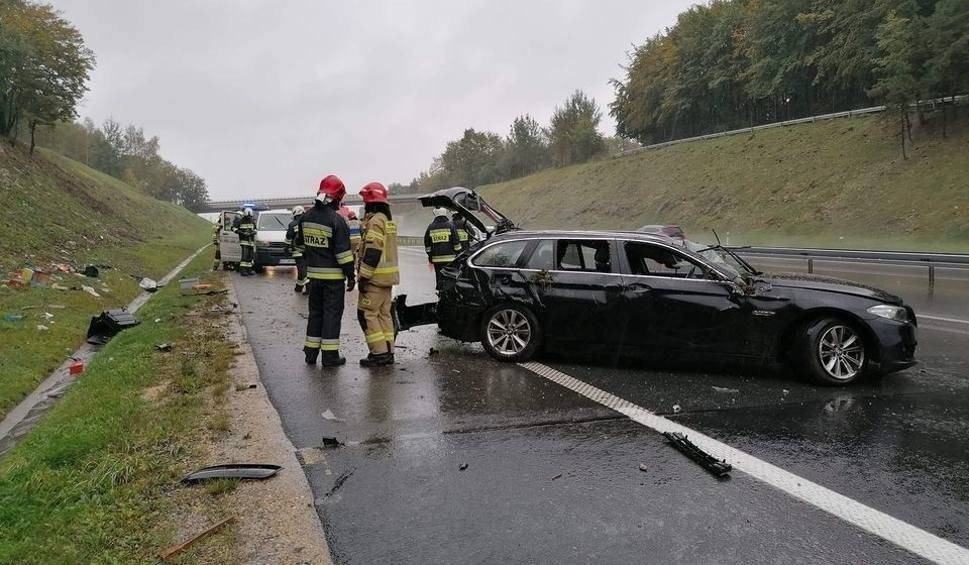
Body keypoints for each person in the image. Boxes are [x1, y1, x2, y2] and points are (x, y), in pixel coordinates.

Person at [297, 175, 356, 367]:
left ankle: (310, 353)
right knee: (331, 315)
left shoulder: (305, 217)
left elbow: (300, 244)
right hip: (333, 279)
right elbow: (344, 255)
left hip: (313, 277)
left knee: (315, 313)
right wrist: (351, 276)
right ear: (337, 198)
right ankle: (330, 356)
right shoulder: (337, 221)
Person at [356, 182, 399, 367]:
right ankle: (388, 352)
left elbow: (372, 252)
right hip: (387, 280)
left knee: (366, 314)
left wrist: (363, 277)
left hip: (374, 279)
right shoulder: (387, 220)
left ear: (370, 203)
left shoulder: (374, 221)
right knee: (384, 315)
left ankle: (379, 353)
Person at [424, 207, 460, 290]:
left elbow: (427, 243)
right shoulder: (451, 226)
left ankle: (440, 292)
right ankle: (449, 292)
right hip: (450, 259)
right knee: (449, 276)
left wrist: (430, 255)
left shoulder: (431, 227)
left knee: (439, 276)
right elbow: (456, 242)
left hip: (437, 260)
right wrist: (458, 253)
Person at [285, 205, 308, 293]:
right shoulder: (308, 222)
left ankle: (309, 288)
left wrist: (286, 248)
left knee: (302, 270)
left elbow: (288, 238)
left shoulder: (293, 224)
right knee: (302, 270)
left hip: (297, 250)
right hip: (308, 250)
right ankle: (298, 287)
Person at [232, 207, 257, 276]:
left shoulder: (252, 221)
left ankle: (249, 270)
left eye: (250, 216)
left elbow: (255, 230)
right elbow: (233, 228)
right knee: (244, 256)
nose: (249, 218)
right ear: (245, 214)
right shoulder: (240, 221)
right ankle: (242, 270)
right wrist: (242, 233)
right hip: (244, 241)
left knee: (250, 256)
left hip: (251, 241)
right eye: (248, 216)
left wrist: (251, 233)